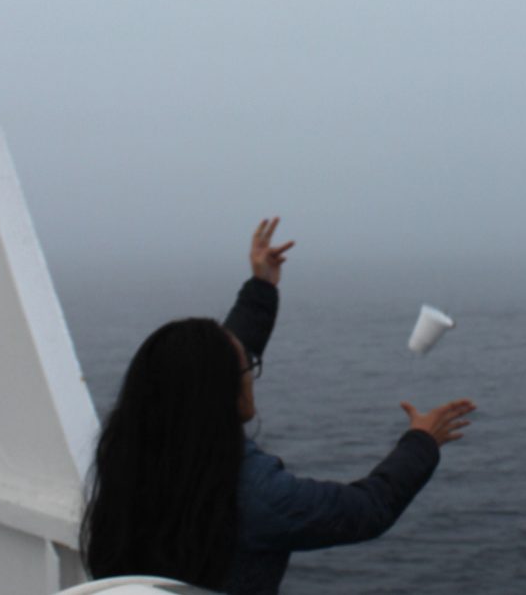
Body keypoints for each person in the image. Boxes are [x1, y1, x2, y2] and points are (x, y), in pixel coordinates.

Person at [80, 217, 476, 594]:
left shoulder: (130, 452)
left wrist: (261, 286)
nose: (252, 374)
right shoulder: (255, 495)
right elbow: (366, 509)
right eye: (248, 370)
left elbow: (216, 358)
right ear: (221, 394)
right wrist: (421, 442)